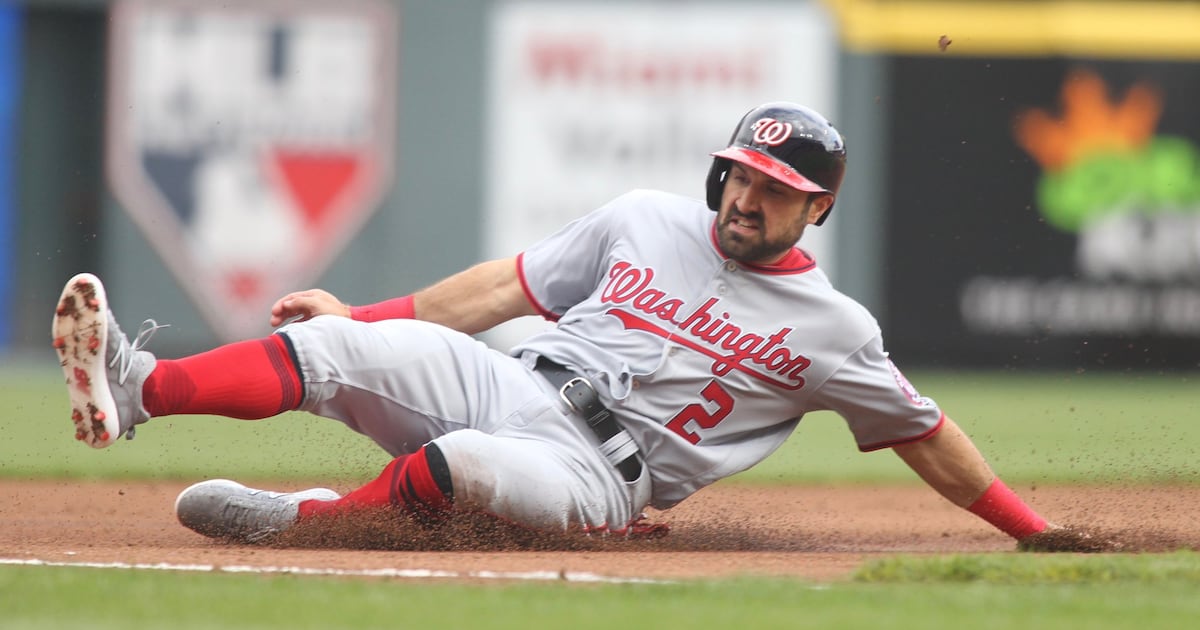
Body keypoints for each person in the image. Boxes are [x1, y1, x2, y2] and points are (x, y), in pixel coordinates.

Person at [53, 102, 1058, 547]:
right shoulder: (646, 219)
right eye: (742, 173)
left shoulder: (833, 328)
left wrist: (1033, 530)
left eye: (777, 188)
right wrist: (360, 311)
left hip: (598, 476)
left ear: (817, 209)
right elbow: (499, 292)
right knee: (328, 348)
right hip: (514, 379)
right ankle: (139, 387)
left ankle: (300, 524)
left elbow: (926, 435)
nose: (747, 198)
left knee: (467, 476)